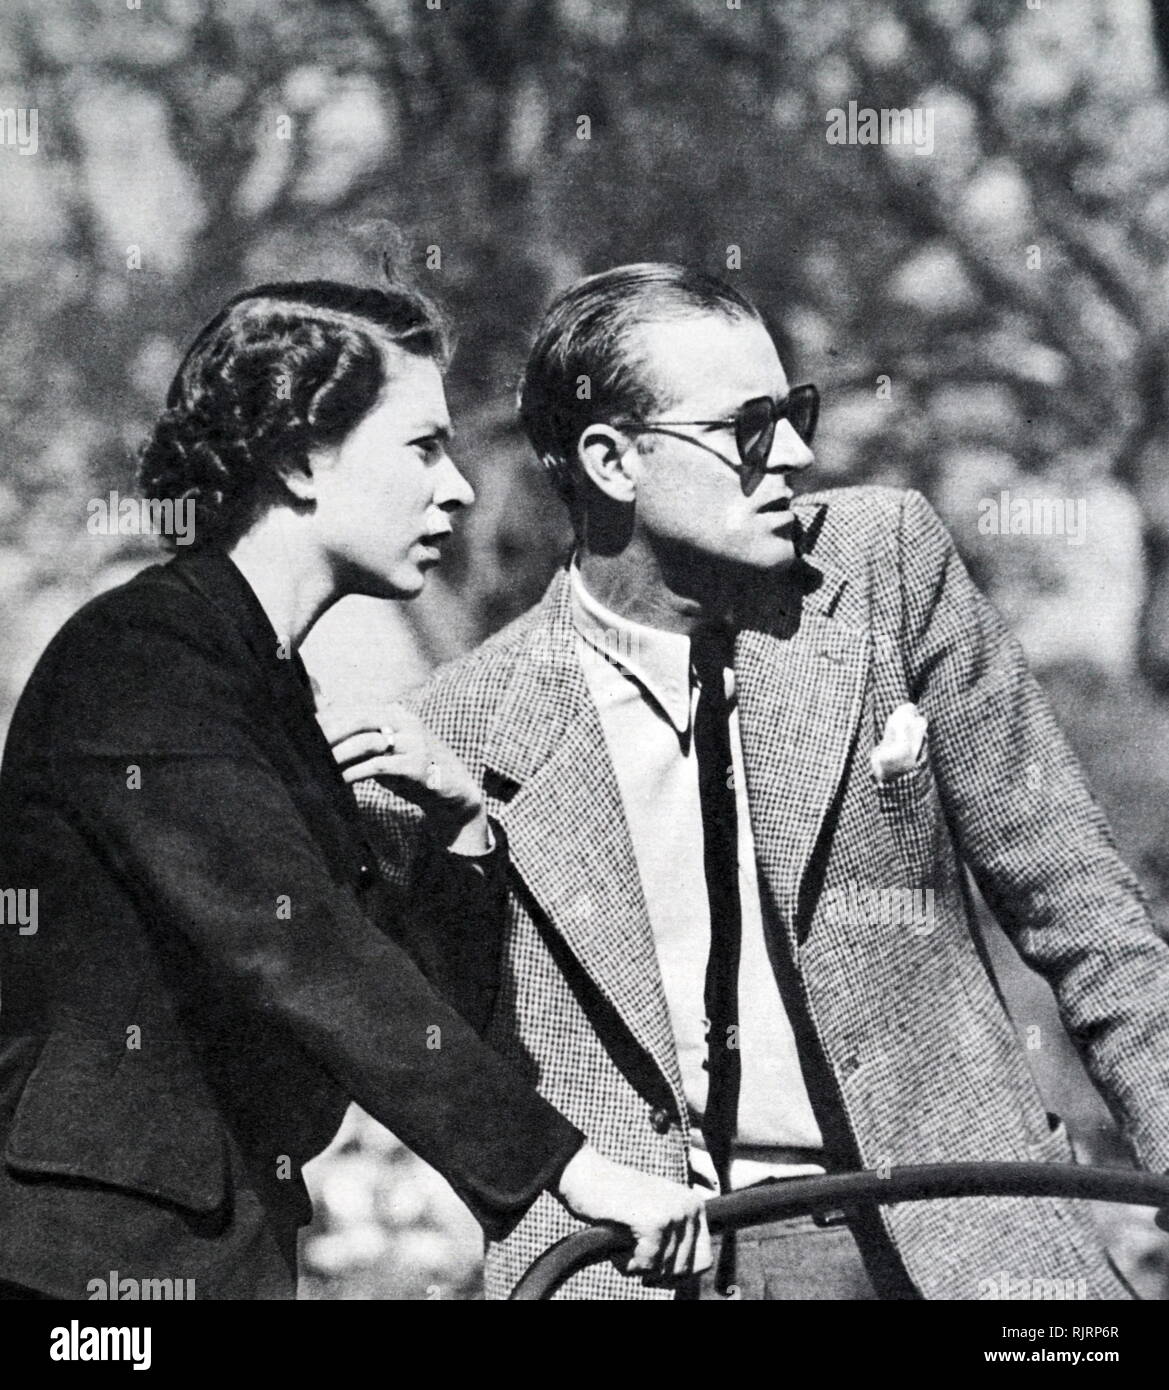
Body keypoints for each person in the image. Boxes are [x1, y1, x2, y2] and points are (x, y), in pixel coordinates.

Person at [351, 262, 1169, 1299]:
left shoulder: (882, 568)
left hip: (963, 1243)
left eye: (794, 412)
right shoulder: (459, 727)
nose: (792, 452)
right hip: (639, 1271)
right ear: (610, 460)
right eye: (746, 428)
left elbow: (1082, 910)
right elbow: (429, 1043)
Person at [0, 278, 709, 1300]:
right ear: (296, 458)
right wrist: (576, 1171)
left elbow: (403, 996)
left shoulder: (267, 688)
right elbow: (300, 952)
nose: (458, 489)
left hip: (209, 1253)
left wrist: (464, 831)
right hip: (79, 1268)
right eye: (422, 446)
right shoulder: (143, 658)